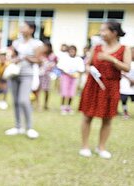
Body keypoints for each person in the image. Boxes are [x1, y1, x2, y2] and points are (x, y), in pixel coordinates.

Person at [78, 21, 131, 159]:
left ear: (114, 32)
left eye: (104, 30)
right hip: (93, 84)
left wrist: (111, 59)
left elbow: (127, 68)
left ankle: (101, 147)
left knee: (107, 118)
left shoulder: (124, 48)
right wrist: (90, 69)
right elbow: (87, 64)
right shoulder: (96, 47)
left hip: (111, 86)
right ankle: (84, 146)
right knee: (87, 116)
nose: (101, 33)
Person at [4, 21, 43, 138]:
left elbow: (39, 60)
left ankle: (29, 128)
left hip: (27, 74)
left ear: (31, 29)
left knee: (23, 100)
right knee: (15, 101)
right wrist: (13, 58)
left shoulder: (36, 44)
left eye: (24, 26)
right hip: (14, 74)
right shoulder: (16, 42)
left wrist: (26, 58)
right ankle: (18, 127)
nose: (21, 28)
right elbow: (12, 55)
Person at [57, 45, 85, 115]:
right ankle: (63, 106)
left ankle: (68, 107)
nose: (72, 52)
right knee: (64, 91)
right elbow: (60, 67)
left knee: (71, 92)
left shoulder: (78, 59)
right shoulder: (64, 58)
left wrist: (76, 73)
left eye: (73, 51)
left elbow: (81, 69)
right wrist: (68, 73)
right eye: (71, 51)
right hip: (65, 76)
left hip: (74, 77)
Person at [36, 40, 58, 110]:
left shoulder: (52, 56)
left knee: (46, 90)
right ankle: (38, 104)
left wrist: (51, 66)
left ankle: (45, 105)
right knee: (37, 89)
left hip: (47, 74)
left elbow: (56, 62)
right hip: (39, 73)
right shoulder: (40, 54)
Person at [119, 47, 134, 119]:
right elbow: (122, 72)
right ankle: (125, 113)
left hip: (133, 85)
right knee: (124, 99)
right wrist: (130, 79)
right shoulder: (125, 62)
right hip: (125, 84)